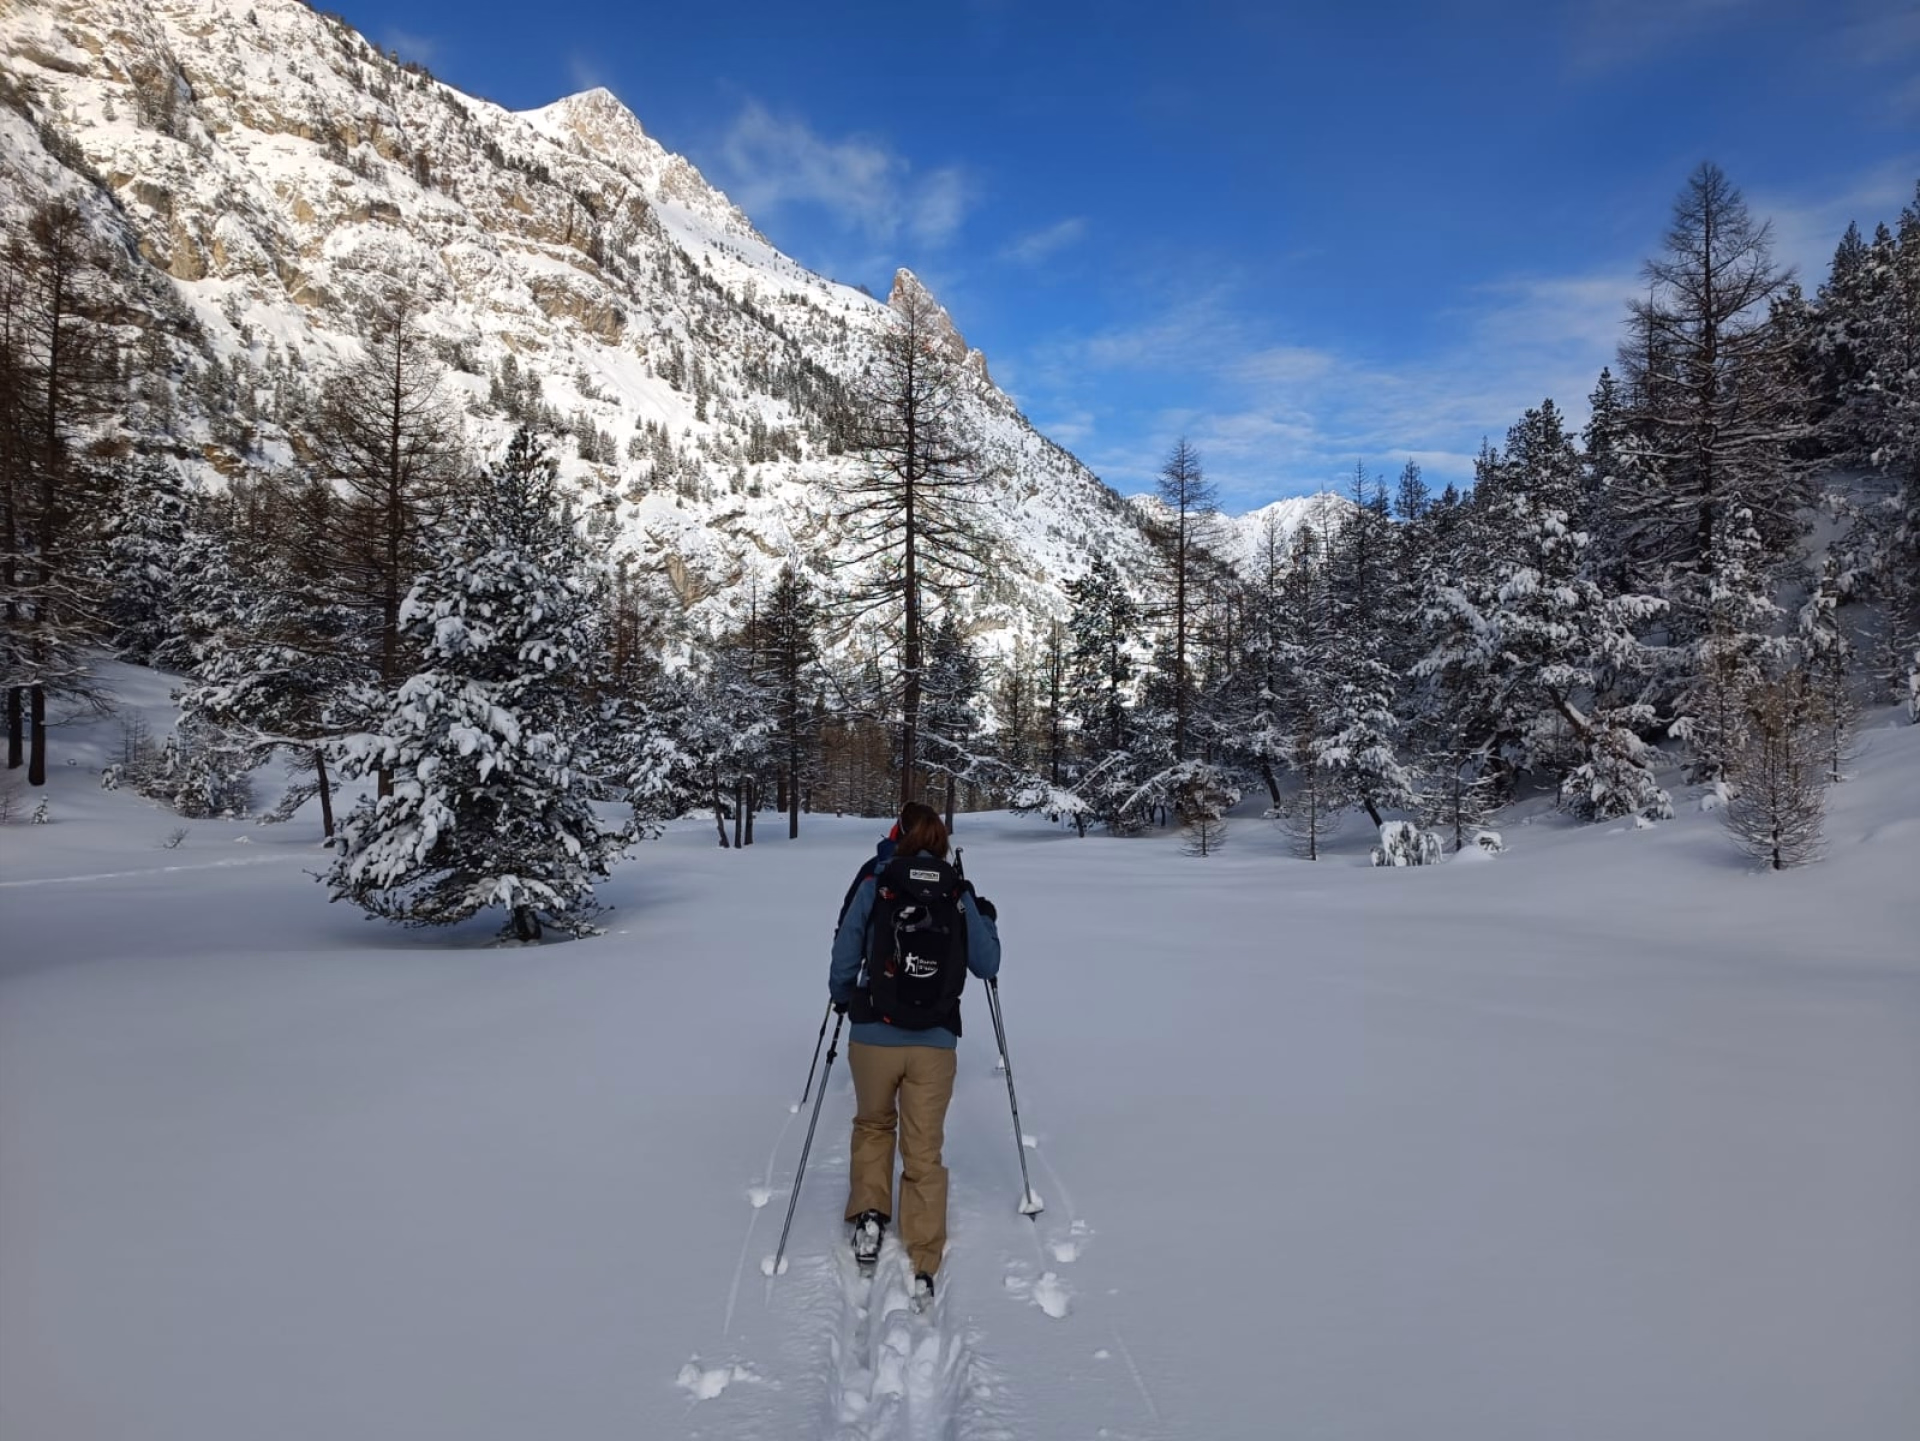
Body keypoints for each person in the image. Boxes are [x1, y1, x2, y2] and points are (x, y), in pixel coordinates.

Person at [829, 801, 999, 1306]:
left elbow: (847, 945)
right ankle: (924, 1257)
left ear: (896, 834)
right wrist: (984, 917)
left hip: (872, 1032)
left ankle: (869, 1217)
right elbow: (987, 965)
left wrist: (842, 996)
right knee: (925, 1150)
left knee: (874, 1124)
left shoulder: (876, 878)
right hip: (935, 1040)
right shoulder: (957, 889)